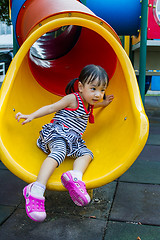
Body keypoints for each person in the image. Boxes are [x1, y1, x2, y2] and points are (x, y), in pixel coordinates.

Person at [15, 64, 114, 222]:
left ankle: (75, 176)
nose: (98, 94)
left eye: (102, 90)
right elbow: (51, 107)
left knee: (87, 154)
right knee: (59, 152)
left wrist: (105, 103)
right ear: (81, 87)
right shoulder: (73, 99)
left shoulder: (90, 104)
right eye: (94, 88)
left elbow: (96, 105)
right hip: (57, 133)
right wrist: (31, 115)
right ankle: (36, 189)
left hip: (73, 139)